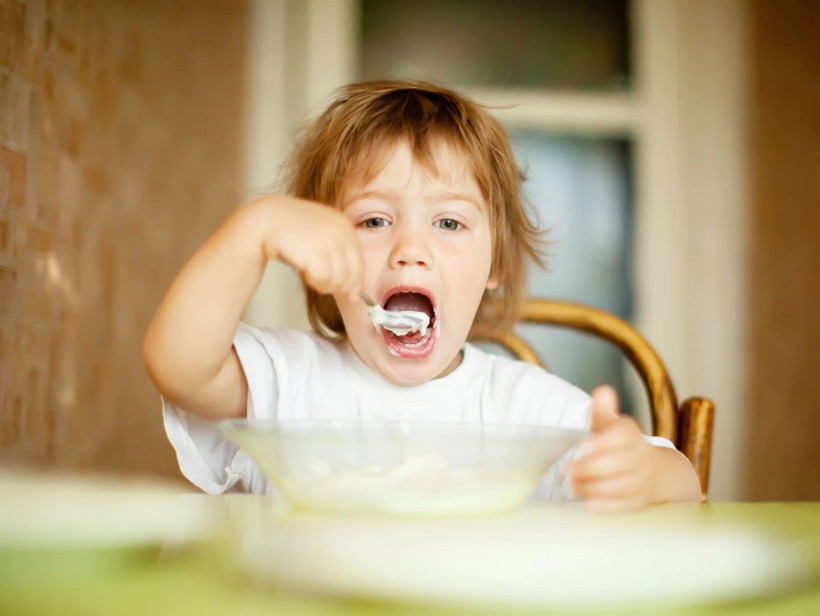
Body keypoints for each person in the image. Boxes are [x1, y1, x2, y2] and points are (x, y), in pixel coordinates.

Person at [143, 80, 701, 512]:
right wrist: (254, 231)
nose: (410, 249)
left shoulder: (521, 406)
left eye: (450, 224)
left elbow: (685, 483)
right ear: (318, 253)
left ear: (497, 265)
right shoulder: (288, 380)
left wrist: (640, 473)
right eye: (374, 219)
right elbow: (180, 366)